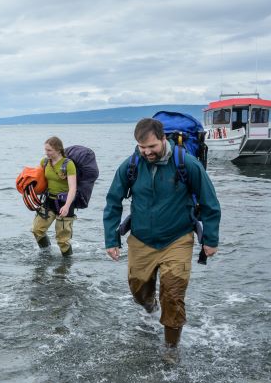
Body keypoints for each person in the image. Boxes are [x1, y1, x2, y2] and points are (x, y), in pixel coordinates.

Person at [102, 118, 221, 350]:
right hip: (141, 238)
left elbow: (210, 203)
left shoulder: (187, 164)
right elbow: (113, 202)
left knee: (173, 295)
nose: (147, 152)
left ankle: (170, 350)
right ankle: (151, 308)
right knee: (138, 291)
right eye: (141, 147)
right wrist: (111, 238)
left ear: (163, 139)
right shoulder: (131, 166)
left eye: (152, 147)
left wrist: (211, 239)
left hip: (177, 238)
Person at [31, 136, 78, 257]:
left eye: (49, 150)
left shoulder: (68, 164)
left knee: (63, 240)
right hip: (48, 202)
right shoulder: (45, 162)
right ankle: (46, 253)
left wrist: (67, 206)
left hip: (65, 203)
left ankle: (66, 264)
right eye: (45, 150)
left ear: (58, 150)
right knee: (37, 230)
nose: (46, 153)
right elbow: (38, 181)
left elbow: (73, 188)